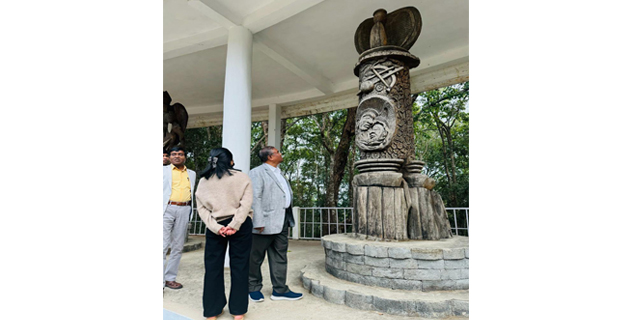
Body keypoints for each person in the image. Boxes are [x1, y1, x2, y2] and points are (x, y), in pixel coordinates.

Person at [195, 148, 253, 320]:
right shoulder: (242, 177)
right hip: (241, 225)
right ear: (231, 161)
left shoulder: (204, 181)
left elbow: (201, 208)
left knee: (212, 268)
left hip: (215, 226)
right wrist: (234, 225)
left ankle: (212, 312)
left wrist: (216, 228)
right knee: (240, 266)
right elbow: (246, 204)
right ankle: (238, 311)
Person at [248, 146, 303, 302]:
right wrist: (258, 221)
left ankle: (279, 290)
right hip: (263, 222)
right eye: (278, 152)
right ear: (270, 157)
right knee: (255, 257)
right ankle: (253, 288)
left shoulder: (279, 173)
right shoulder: (257, 172)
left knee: (280, 257)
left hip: (282, 220)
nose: (280, 153)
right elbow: (255, 197)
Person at [163, 146, 196, 290]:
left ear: (185, 157)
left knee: (177, 246)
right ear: (169, 157)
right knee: (162, 246)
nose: (177, 156)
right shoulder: (162, 171)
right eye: (174, 154)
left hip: (185, 209)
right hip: (166, 209)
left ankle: (170, 278)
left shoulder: (192, 173)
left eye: (180, 154)